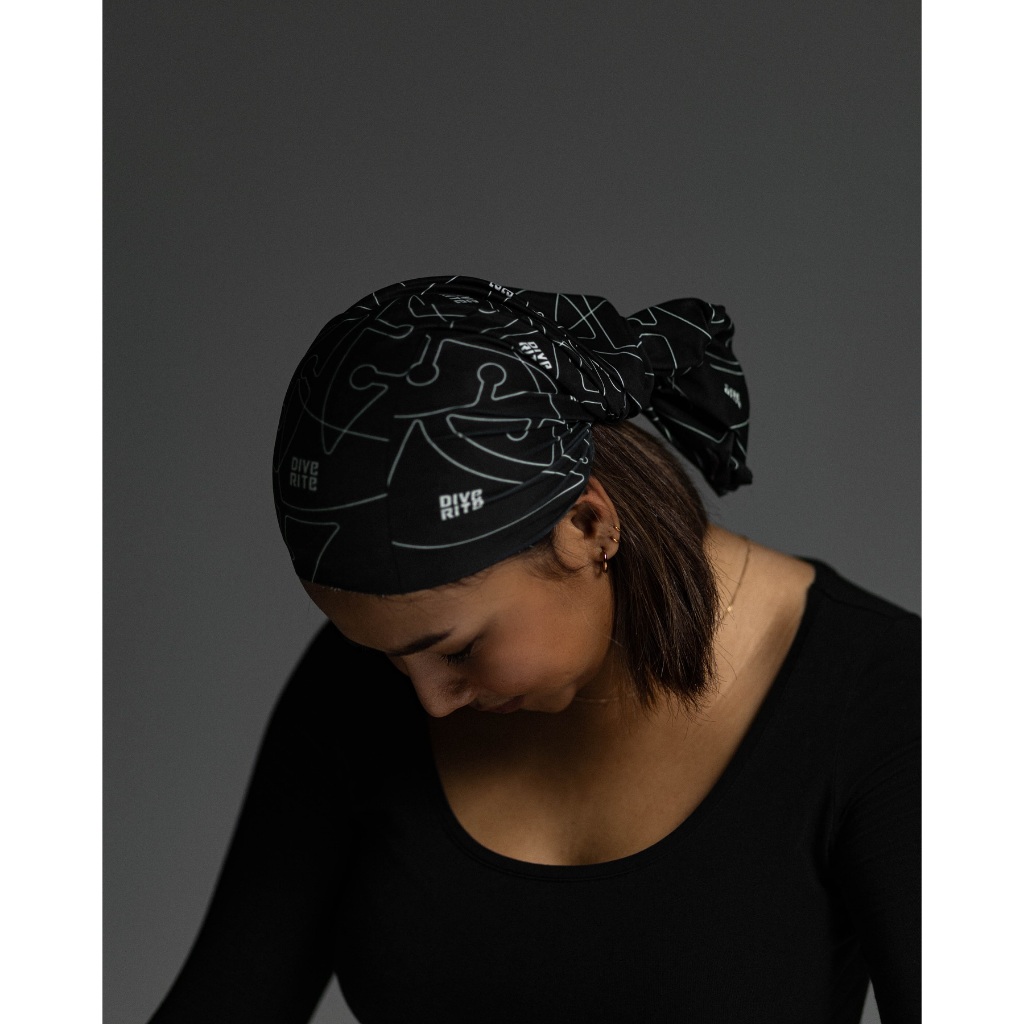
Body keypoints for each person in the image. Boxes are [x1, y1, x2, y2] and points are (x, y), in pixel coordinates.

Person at [147, 276, 920, 1023]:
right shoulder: (358, 690)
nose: (430, 702)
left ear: (585, 526)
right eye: (387, 657)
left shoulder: (883, 699)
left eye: (457, 650)